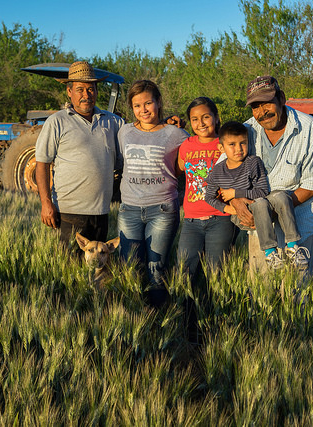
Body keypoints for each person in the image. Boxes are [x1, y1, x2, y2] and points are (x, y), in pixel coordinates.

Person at [229, 76, 313, 276]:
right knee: (263, 293)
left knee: (297, 293)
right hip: (259, 231)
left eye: (267, 103)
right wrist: (236, 202)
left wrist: (271, 211)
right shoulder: (246, 130)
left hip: (299, 225)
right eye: (255, 107)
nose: (262, 112)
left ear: (282, 98)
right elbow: (222, 170)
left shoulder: (308, 126)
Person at [35, 61, 124, 252]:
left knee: (97, 268)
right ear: (69, 91)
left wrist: (167, 123)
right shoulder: (56, 121)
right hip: (69, 213)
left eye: (90, 89)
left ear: (97, 91)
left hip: (101, 211)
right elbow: (42, 164)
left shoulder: (112, 122)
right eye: (80, 89)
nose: (86, 95)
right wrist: (45, 203)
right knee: (70, 268)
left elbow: (141, 130)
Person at [117, 80, 189, 307]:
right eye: (137, 105)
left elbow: (184, 163)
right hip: (128, 209)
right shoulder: (125, 132)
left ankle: (157, 319)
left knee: (156, 270)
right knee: (129, 267)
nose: (143, 109)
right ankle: (133, 315)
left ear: (158, 102)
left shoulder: (176, 133)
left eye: (148, 103)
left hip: (162, 209)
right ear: (132, 108)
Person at [204, 121, 310, 270]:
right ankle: (270, 252)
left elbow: (262, 191)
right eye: (232, 144)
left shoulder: (253, 162)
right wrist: (228, 209)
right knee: (260, 203)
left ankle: (292, 246)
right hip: (242, 214)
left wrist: (236, 193)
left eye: (243, 143)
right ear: (221, 148)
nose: (239, 149)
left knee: (281, 196)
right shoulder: (217, 171)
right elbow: (208, 196)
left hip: (260, 199)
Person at [176, 97, 237, 281]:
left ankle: (213, 309)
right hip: (191, 221)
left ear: (216, 118)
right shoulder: (186, 145)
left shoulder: (226, 144)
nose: (200, 123)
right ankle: (186, 310)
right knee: (184, 271)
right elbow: (179, 171)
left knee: (215, 274)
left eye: (206, 117)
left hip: (221, 219)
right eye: (195, 119)